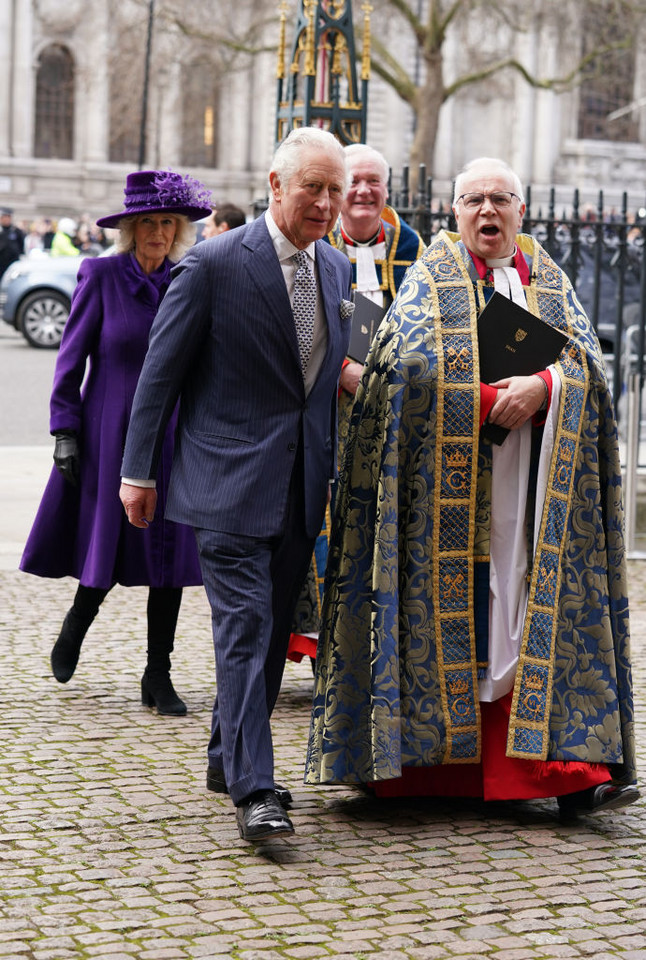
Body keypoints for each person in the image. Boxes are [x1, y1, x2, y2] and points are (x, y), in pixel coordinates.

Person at [305, 156, 639, 821]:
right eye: (473, 200)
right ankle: (421, 771)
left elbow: (593, 371)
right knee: (460, 614)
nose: (488, 212)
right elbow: (395, 374)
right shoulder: (430, 280)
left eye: (500, 199)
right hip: (443, 504)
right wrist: (483, 396)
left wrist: (546, 388)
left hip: (537, 496)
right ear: (455, 213)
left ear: (523, 209)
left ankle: (564, 769)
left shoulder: (550, 279)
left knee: (528, 610)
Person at [118, 127, 353, 842]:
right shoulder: (214, 265)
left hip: (300, 485)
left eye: (335, 190)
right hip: (225, 484)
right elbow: (159, 376)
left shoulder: (338, 271)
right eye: (312, 186)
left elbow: (322, 378)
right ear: (276, 184)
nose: (324, 202)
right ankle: (255, 790)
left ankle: (226, 754)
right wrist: (138, 471)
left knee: (274, 628)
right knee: (246, 629)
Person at [20, 169, 213, 716]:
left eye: (167, 223)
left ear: (178, 230)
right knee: (110, 540)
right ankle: (74, 628)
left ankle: (159, 673)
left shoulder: (187, 280)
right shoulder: (100, 276)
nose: (158, 232)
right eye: (147, 222)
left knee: (171, 554)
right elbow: (70, 362)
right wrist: (64, 430)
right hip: (110, 429)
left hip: (174, 432)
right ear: (130, 228)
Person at [288, 143, 424, 664]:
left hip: (395, 413)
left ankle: (380, 648)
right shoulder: (314, 248)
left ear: (387, 191)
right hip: (325, 413)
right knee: (326, 521)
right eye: (354, 181)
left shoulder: (418, 250)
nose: (364, 191)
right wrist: (341, 370)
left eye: (374, 181)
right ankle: (327, 644)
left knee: (388, 521)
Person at [0, 207, 25, 278]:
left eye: (8, 217)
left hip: (12, 262)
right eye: (3, 217)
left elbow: (21, 246)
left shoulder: (16, 231)